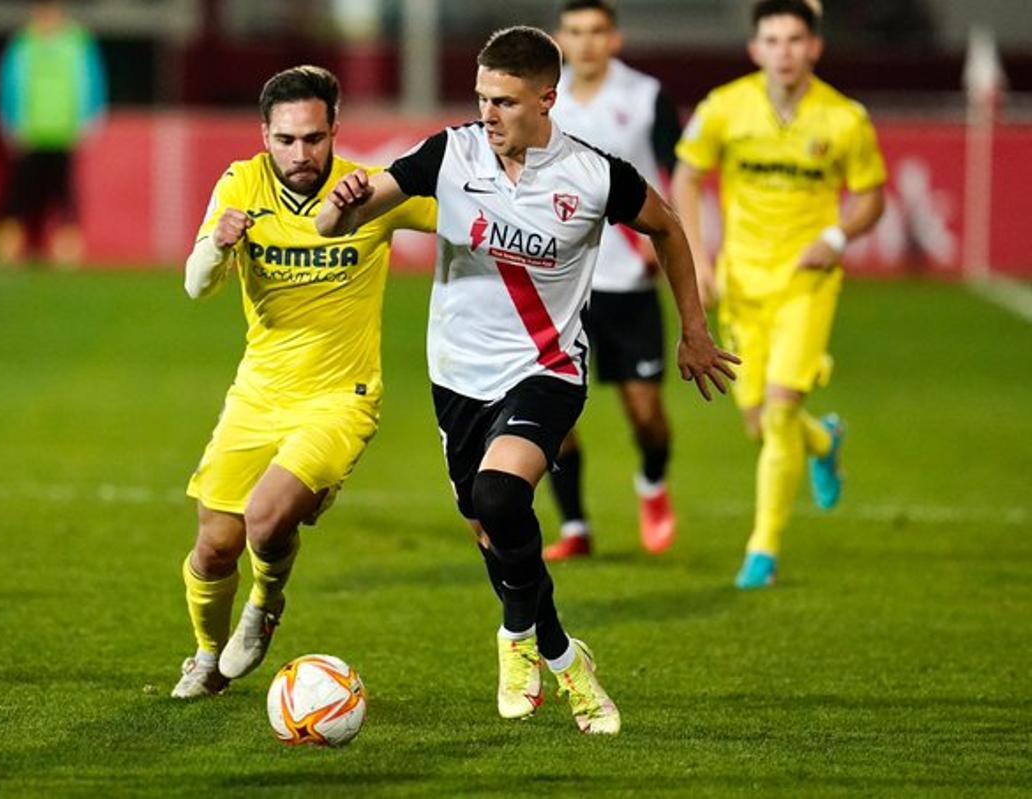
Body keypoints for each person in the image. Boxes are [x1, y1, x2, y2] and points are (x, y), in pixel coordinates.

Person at [317, 26, 737, 734]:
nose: (488, 114)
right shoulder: (450, 155)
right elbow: (341, 220)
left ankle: (515, 637)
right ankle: (564, 656)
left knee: (499, 493)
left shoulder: (593, 175)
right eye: (482, 98)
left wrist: (693, 329)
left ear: (546, 99)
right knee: (493, 532)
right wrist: (342, 201)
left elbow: (668, 227)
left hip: (547, 369)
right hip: (458, 378)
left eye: (505, 101)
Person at [171, 65, 437, 699]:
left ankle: (266, 603)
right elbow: (197, 285)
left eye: (313, 138)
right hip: (259, 394)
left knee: (265, 520)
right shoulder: (240, 185)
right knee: (215, 545)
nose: (300, 154)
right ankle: (206, 658)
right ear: (265, 135)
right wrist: (218, 244)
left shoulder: (368, 192)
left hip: (341, 398)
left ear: (334, 130)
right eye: (286, 139)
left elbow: (466, 208)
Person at [672, 0, 886, 590]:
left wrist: (837, 237)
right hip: (743, 282)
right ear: (755, 49)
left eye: (795, 40)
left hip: (806, 284)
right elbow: (686, 175)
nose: (784, 52)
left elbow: (872, 196)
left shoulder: (844, 119)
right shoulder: (724, 108)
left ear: (814, 47)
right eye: (772, 40)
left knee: (780, 409)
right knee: (758, 423)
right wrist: (699, 259)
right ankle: (823, 440)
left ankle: (761, 550)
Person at [543, 0, 684, 561]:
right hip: (558, 282)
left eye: (597, 31)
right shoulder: (541, 98)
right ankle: (575, 527)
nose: (586, 42)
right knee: (548, 410)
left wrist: (666, 235)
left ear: (614, 39)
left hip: (629, 281)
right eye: (575, 31)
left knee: (646, 415)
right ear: (560, 38)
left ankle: (652, 481)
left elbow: (679, 174)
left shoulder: (645, 97)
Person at [0, 0, 106, 266]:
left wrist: (91, 119)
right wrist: (9, 121)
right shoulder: (24, 43)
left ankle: (67, 247)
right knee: (20, 191)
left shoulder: (77, 43)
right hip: (31, 131)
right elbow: (9, 82)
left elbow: (92, 81)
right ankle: (8, 244)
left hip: (64, 130)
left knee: (64, 193)